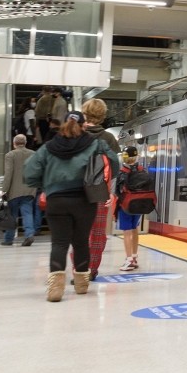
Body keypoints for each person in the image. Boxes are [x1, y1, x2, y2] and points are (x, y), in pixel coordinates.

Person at [24, 110, 118, 302]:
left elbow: (29, 173)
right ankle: (82, 284)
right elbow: (114, 164)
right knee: (81, 241)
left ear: (63, 124)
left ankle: (56, 288)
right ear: (84, 125)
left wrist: (46, 185)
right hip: (84, 200)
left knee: (59, 242)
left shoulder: (49, 147)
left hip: (56, 201)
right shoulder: (96, 144)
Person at [77, 98, 119, 279]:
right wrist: (112, 191)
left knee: (78, 232)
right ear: (102, 115)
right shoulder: (108, 138)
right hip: (100, 189)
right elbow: (115, 166)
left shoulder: (77, 133)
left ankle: (79, 269)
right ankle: (92, 269)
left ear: (84, 113)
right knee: (98, 232)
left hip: (77, 190)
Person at [1, 134, 37, 246]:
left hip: (14, 190)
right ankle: (29, 235)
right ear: (25, 143)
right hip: (29, 189)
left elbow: (8, 173)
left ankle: (8, 239)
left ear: (14, 143)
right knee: (27, 213)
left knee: (12, 215)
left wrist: (4, 189)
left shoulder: (10, 155)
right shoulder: (33, 154)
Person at [114, 147, 145, 272]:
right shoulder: (142, 170)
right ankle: (134, 257)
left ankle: (128, 260)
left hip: (126, 206)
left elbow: (118, 191)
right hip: (138, 205)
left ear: (124, 157)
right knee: (134, 230)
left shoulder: (122, 171)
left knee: (126, 232)